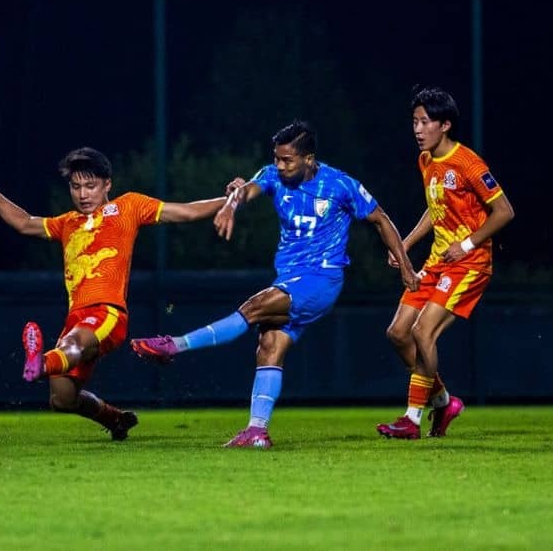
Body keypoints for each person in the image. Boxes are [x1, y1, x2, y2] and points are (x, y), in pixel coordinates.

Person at [130, 120, 421, 448]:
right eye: (277, 158)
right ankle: (257, 431)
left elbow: (381, 219)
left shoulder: (340, 185)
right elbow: (246, 191)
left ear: (309, 159)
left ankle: (175, 345)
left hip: (321, 279)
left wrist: (406, 267)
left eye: (288, 160)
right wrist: (231, 204)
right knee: (269, 345)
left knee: (254, 307)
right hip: (290, 279)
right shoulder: (271, 175)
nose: (280, 166)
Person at [0, 147, 227, 440]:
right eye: (76, 186)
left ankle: (40, 363)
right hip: (75, 318)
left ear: (107, 185)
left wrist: (232, 199)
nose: (82, 194)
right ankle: (115, 419)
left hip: (107, 312)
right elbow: (24, 223)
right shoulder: (66, 222)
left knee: (73, 344)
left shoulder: (129, 206)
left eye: (90, 186)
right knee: (62, 400)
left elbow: (188, 211)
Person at [375, 86, 514, 440]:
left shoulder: (468, 163)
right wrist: (404, 245)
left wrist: (466, 243)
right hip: (438, 261)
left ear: (445, 125)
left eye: (425, 122)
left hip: (470, 263)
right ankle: (444, 401)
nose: (417, 129)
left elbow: (504, 212)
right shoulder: (426, 161)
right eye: (415, 122)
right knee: (397, 333)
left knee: (423, 331)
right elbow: (435, 207)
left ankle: (411, 419)